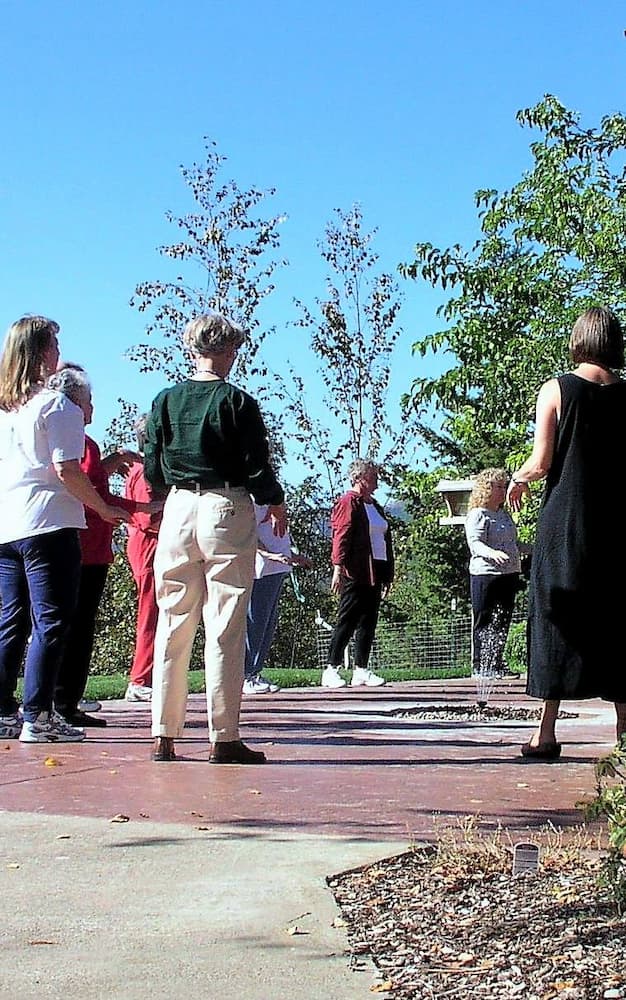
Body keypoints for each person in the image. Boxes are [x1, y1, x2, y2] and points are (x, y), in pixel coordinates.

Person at [144, 313, 287, 764]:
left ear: (192, 348)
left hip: (178, 508)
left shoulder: (165, 401)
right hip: (225, 506)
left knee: (173, 619)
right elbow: (255, 464)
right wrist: (274, 501)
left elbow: (152, 467)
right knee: (225, 622)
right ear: (226, 350)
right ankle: (222, 736)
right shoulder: (236, 402)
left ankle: (163, 734)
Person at [0, 316, 129, 743]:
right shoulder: (58, 406)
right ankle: (38, 714)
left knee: (11, 620)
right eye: (53, 346)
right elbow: (67, 469)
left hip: (8, 526)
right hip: (49, 524)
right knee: (52, 620)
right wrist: (103, 508)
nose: (58, 353)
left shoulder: (7, 410)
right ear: (40, 354)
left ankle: (3, 710)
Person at [507, 306, 626, 760]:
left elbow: (542, 462)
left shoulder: (556, 389)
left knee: (557, 616)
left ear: (577, 340)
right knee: (619, 621)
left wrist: (518, 479)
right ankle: (623, 735)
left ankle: (546, 732)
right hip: (617, 526)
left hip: (567, 522)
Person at [48, 366, 160, 728]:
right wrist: (141, 510)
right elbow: (89, 493)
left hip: (92, 545)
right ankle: (61, 702)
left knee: (76, 625)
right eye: (89, 401)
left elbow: (96, 486)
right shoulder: (75, 441)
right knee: (71, 626)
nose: (93, 408)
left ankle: (65, 699)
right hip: (82, 544)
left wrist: (113, 467)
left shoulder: (85, 444)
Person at [321, 459, 394, 689]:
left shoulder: (374, 505)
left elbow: (383, 538)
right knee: (348, 618)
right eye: (373, 476)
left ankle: (361, 669)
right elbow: (341, 534)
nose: (377, 481)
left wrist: (388, 574)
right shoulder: (348, 502)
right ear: (360, 478)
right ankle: (331, 668)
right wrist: (337, 567)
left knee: (368, 620)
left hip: (376, 570)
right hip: (357, 570)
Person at [243, 503, 312, 695]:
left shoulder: (272, 501)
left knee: (268, 624)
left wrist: (294, 556)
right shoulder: (253, 501)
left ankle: (255, 672)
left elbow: (277, 535)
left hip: (279, 569)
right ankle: (246, 675)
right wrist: (269, 555)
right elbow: (248, 534)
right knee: (255, 623)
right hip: (262, 570)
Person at [465, 469, 521, 694]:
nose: (504, 490)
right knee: (485, 619)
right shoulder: (479, 514)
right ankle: (481, 665)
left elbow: (513, 544)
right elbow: (475, 543)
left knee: (503, 619)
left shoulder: (504, 515)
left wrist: (535, 549)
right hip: (485, 574)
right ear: (487, 489)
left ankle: (496, 662)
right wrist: (491, 553)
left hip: (509, 574)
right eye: (499, 486)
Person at [124, 414, 163, 703]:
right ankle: (139, 679)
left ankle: (149, 676)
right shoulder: (143, 470)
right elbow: (146, 515)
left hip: (152, 543)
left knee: (158, 613)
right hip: (148, 544)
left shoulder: (147, 468)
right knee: (149, 613)